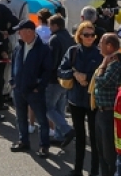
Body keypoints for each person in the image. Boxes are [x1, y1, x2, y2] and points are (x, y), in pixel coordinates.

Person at [58, 21, 103, 176]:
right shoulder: (73, 51)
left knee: (95, 138)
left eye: (92, 35)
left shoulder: (99, 53)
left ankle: (94, 171)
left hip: (93, 101)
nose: (90, 37)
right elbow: (61, 70)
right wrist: (74, 74)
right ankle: (77, 170)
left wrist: (87, 77)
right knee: (80, 136)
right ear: (80, 36)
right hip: (75, 100)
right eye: (86, 34)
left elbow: (103, 75)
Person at [9, 19, 55, 158]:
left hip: (34, 91)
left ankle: (44, 146)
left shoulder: (43, 49)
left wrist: (39, 87)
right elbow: (13, 64)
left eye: (20, 31)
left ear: (29, 32)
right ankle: (23, 141)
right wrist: (13, 81)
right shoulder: (19, 46)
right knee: (21, 117)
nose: (18, 34)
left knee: (41, 119)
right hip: (19, 88)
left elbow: (48, 71)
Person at [92, 33, 121, 176]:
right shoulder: (109, 62)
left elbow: (103, 81)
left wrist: (102, 67)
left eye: (101, 43)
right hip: (100, 111)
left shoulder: (115, 64)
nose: (98, 45)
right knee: (101, 150)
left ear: (109, 46)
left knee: (109, 154)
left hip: (109, 113)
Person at [45, 14, 75, 148]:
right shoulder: (70, 38)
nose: (49, 28)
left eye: (50, 25)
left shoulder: (55, 39)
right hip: (66, 78)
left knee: (48, 107)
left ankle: (66, 130)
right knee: (60, 108)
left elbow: (51, 61)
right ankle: (60, 136)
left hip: (54, 79)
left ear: (55, 25)